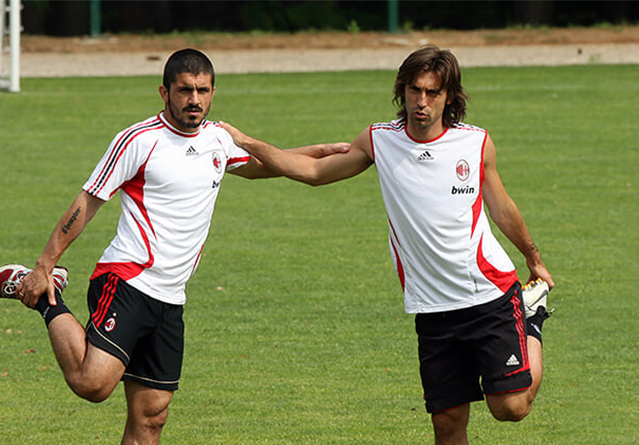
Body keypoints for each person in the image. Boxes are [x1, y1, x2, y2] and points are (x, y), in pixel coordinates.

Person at [0, 48, 348, 445]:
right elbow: (87, 202)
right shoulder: (138, 140)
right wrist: (44, 264)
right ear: (164, 92)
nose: (194, 100)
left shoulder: (217, 141)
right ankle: (44, 298)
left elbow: (264, 166)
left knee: (152, 419)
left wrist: (318, 151)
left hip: (171, 298)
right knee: (92, 384)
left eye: (203, 90)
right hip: (127, 280)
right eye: (185, 90)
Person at [220, 45, 555, 445]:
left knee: (511, 409)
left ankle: (531, 319)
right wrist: (246, 142)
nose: (422, 101)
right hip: (432, 309)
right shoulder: (380, 140)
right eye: (415, 90)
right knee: (447, 425)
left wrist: (533, 260)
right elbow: (312, 171)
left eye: (433, 93)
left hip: (489, 295)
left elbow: (502, 208)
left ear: (450, 97)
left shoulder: (475, 144)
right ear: (402, 90)